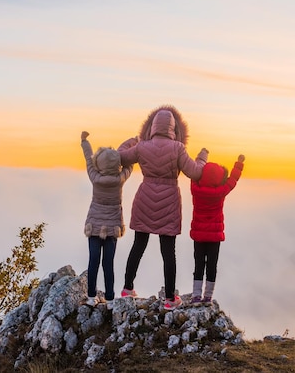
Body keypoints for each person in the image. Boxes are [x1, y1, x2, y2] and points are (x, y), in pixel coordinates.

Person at [118, 105, 208, 311]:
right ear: (173, 128)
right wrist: (202, 158)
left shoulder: (142, 147)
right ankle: (169, 298)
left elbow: (120, 157)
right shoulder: (178, 148)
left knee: (138, 245)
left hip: (145, 199)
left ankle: (127, 288)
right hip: (168, 202)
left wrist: (133, 141)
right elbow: (195, 173)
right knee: (168, 251)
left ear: (152, 126)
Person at [81, 130, 134, 309]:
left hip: (94, 225)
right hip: (112, 228)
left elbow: (88, 158)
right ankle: (110, 299)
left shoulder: (95, 178)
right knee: (108, 264)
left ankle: (90, 296)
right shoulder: (120, 179)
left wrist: (84, 141)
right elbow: (129, 166)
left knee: (93, 261)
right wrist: (134, 145)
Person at [189, 154, 244, 305]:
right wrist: (238, 164)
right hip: (214, 236)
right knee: (212, 265)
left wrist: (201, 158)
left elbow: (194, 173)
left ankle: (196, 295)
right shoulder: (221, 191)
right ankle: (208, 296)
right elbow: (232, 181)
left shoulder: (195, 189)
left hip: (199, 235)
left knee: (198, 265)